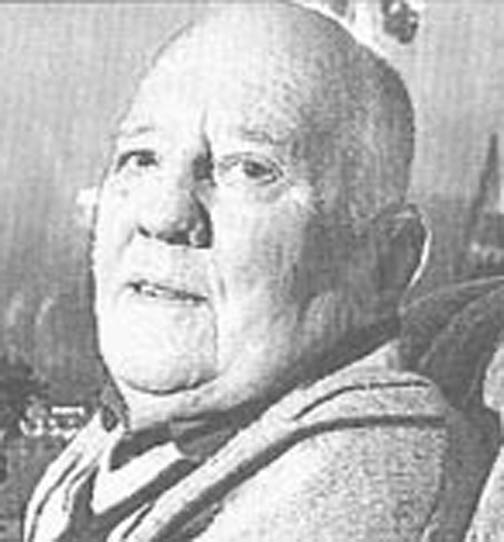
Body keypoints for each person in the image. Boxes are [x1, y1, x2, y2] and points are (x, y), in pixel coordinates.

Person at [24, 3, 498, 541]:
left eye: (250, 169)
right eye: (142, 158)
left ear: (385, 265)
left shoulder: (359, 482)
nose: (164, 214)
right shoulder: (126, 452)